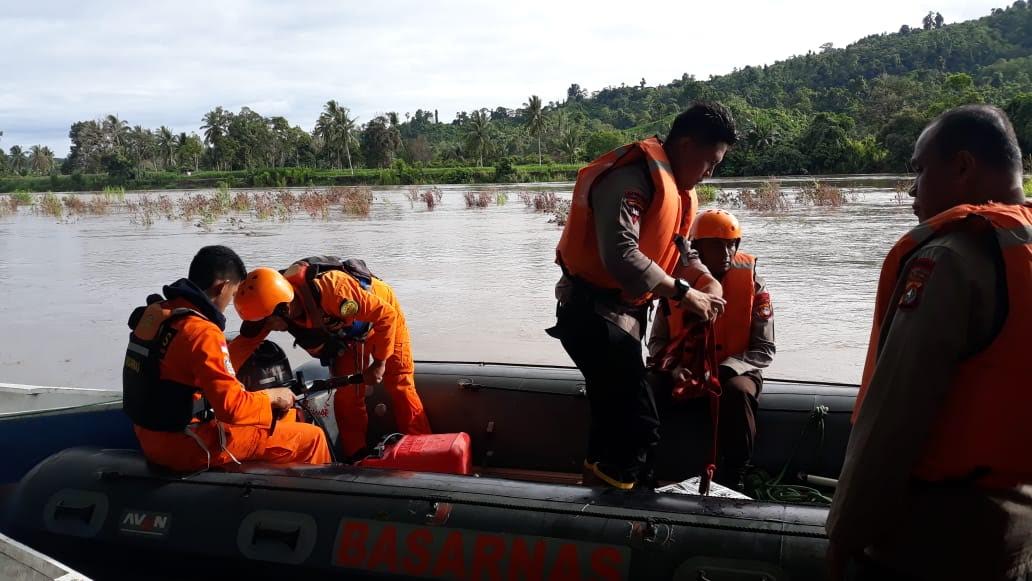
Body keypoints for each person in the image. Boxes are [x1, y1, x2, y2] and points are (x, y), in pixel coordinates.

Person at [826, 105, 1032, 581]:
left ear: (962, 167)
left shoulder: (950, 258)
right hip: (1017, 528)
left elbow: (894, 416)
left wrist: (844, 532)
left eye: (920, 169)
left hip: (937, 536)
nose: (913, 189)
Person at [547, 102, 737, 490]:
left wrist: (706, 282)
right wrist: (685, 294)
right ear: (686, 145)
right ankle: (619, 516)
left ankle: (595, 495)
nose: (709, 173)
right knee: (639, 427)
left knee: (611, 420)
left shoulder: (678, 192)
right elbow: (621, 255)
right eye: (709, 163)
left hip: (620, 319)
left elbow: (682, 254)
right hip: (591, 315)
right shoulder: (631, 180)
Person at [123, 245, 331, 472]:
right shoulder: (201, 331)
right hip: (187, 445)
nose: (230, 304)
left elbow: (198, 366)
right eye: (233, 295)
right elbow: (232, 409)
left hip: (150, 437)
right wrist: (273, 395)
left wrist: (262, 330)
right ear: (221, 287)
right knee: (311, 437)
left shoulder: (157, 314)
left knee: (281, 420)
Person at [233, 257, 431, 460]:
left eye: (268, 323)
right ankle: (357, 458)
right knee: (347, 397)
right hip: (347, 333)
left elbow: (386, 316)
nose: (267, 329)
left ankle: (424, 450)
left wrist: (379, 363)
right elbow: (241, 348)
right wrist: (211, 380)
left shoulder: (332, 289)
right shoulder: (270, 305)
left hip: (381, 313)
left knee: (399, 382)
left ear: (284, 309)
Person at [648, 209, 775, 489]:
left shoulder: (753, 284)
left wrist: (726, 369)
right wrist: (674, 368)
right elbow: (656, 342)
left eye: (732, 244)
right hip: (684, 369)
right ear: (697, 248)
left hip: (734, 369)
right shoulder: (675, 285)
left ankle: (736, 475)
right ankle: (644, 467)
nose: (727, 252)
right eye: (717, 245)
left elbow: (764, 349)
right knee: (647, 385)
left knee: (738, 391)